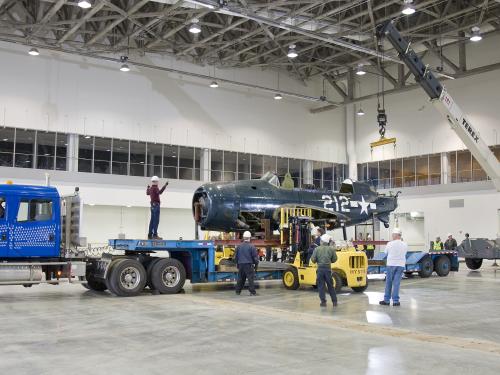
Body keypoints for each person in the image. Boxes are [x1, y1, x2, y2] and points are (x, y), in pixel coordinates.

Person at [380, 228, 408, 307]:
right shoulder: (405, 244)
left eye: (393, 235)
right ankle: (396, 301)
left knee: (389, 283)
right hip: (400, 265)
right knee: (396, 283)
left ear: (395, 235)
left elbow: (385, 253)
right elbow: (405, 253)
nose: (392, 236)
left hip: (391, 264)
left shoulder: (389, 244)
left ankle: (386, 300)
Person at [310, 233, 338, 308]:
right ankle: (334, 302)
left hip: (320, 270)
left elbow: (313, 260)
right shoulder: (331, 249)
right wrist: (329, 260)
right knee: (330, 286)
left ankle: (323, 302)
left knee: (321, 286)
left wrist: (317, 260)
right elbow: (335, 259)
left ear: (322, 241)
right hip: (328, 269)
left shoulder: (317, 249)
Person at [235, 231, 259, 296]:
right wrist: (256, 265)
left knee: (240, 278)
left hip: (240, 264)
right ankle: (252, 292)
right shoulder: (252, 247)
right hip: (248, 265)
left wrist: (237, 264)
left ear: (243, 237)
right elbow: (255, 258)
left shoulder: (239, 246)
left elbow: (236, 257)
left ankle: (238, 291)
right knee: (250, 278)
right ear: (249, 238)